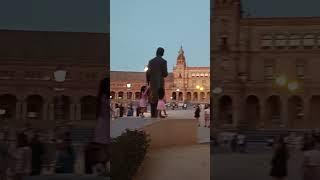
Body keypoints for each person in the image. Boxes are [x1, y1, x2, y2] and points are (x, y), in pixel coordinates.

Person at [146, 47, 168, 118]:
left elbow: (148, 72)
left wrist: (148, 81)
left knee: (153, 98)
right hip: (160, 82)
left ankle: (153, 114)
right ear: (162, 53)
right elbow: (165, 74)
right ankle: (159, 113)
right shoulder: (164, 61)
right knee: (160, 97)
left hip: (152, 82)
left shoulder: (151, 61)